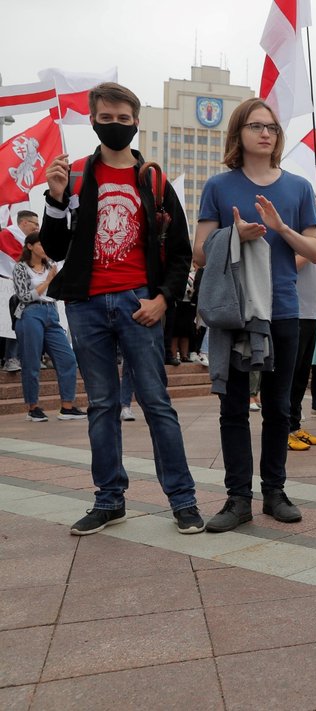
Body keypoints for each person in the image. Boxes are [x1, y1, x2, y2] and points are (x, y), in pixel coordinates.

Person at [40, 82, 203, 535]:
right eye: (106, 118)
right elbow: (54, 248)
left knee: (156, 402)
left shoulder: (153, 180)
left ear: (136, 122)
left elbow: (181, 253)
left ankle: (183, 500)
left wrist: (163, 299)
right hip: (86, 305)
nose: (115, 126)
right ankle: (109, 499)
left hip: (139, 304)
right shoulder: (73, 177)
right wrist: (54, 201)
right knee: (101, 405)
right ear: (93, 120)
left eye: (123, 119)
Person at [193, 97, 316, 533]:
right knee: (232, 408)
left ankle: (274, 491)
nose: (265, 133)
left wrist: (281, 228)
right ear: (239, 134)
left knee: (279, 407)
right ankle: (237, 498)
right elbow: (199, 252)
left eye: (271, 127)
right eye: (255, 126)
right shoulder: (219, 186)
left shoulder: (299, 188)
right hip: (233, 310)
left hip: (282, 310)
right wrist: (236, 235)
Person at [11, 232, 86, 422]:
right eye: (40, 244)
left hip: (51, 312)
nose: (44, 248)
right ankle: (33, 407)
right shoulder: (21, 268)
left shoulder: (51, 265)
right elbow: (24, 297)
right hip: (30, 313)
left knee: (68, 358)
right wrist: (48, 281)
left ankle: (67, 407)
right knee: (31, 361)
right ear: (30, 246)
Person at [287, 241, 316, 451]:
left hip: (311, 315)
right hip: (295, 313)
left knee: (301, 376)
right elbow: (288, 266)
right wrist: (313, 252)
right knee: (290, 375)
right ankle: (283, 430)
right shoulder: (291, 234)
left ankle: (295, 426)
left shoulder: (307, 236)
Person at [1, 210, 40, 373]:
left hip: (24, 287)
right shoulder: (7, 236)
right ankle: (10, 358)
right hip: (6, 285)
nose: (38, 227)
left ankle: (24, 357)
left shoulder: (32, 242)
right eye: (35, 224)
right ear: (24, 223)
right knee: (11, 323)